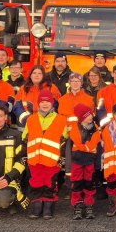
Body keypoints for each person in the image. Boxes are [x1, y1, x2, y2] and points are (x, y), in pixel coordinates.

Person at [25, 90, 66, 220]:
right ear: (38, 104)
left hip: (52, 159)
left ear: (52, 103)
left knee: (50, 183)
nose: (45, 104)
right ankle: (37, 206)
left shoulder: (61, 119)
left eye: (47, 102)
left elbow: (65, 140)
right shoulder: (31, 119)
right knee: (36, 182)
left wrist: (62, 158)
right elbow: (25, 137)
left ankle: (48, 206)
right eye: (42, 102)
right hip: (34, 158)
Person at [66, 103, 101, 220]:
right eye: (87, 115)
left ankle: (89, 204)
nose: (90, 117)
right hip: (78, 161)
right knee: (77, 184)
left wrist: (85, 146)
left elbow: (95, 142)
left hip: (90, 161)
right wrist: (87, 147)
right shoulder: (74, 127)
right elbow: (78, 141)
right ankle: (78, 205)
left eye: (90, 114)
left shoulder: (95, 128)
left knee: (89, 183)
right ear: (81, 117)